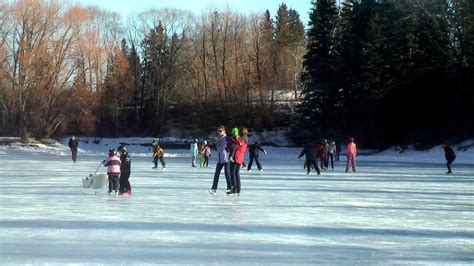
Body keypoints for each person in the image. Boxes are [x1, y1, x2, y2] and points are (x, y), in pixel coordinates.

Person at [209, 125, 233, 194]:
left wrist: (230, 154)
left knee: (227, 174)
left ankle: (229, 188)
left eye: (220, 131)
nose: (219, 132)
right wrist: (211, 146)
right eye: (218, 131)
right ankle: (214, 189)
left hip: (226, 159)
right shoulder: (218, 139)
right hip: (220, 160)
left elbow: (232, 144)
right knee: (216, 174)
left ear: (224, 131)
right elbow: (218, 149)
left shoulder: (226, 138)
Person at [232, 128, 248, 194]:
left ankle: (235, 188)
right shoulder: (245, 138)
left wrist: (236, 138)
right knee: (236, 173)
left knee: (233, 173)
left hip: (238, 156)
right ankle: (238, 189)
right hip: (240, 157)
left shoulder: (243, 138)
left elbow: (239, 143)